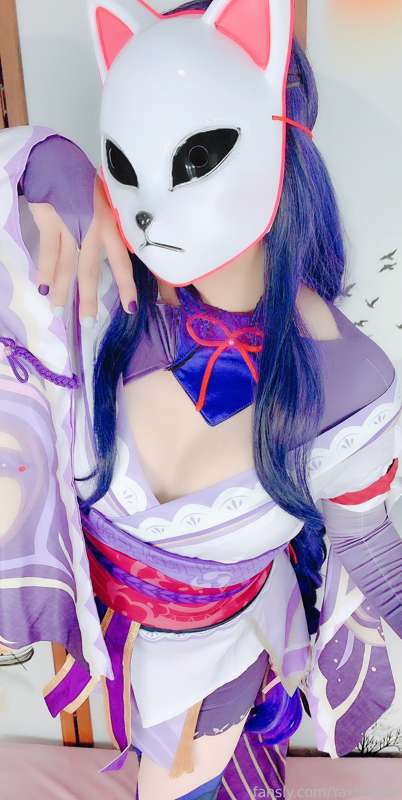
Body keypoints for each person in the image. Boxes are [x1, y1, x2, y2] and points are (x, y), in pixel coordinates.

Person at [1, 1, 401, 798]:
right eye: (125, 164)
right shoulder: (95, 300)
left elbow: (374, 559)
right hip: (104, 640)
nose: (150, 208)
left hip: (211, 664)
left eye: (194, 157)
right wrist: (47, 160)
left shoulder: (350, 384)